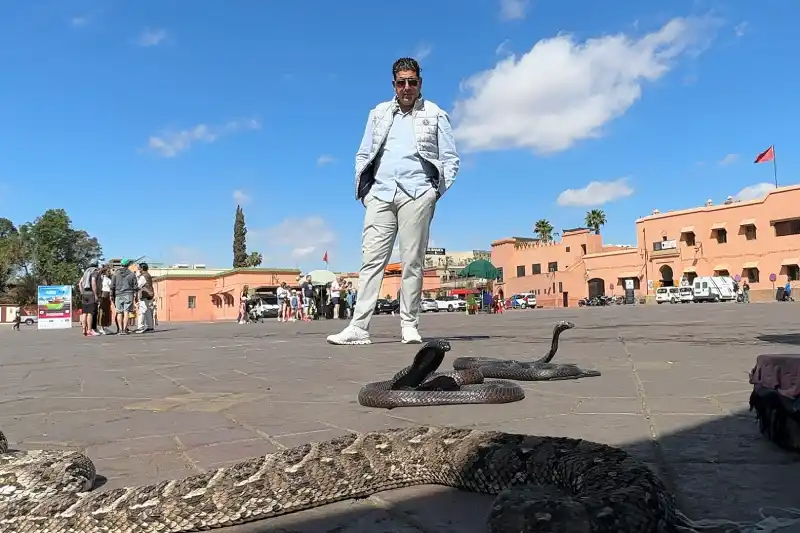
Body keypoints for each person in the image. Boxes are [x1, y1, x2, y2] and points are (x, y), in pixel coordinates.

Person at [327, 57, 459, 346]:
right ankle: (358, 328)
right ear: (394, 85)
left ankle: (409, 325)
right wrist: (365, 191)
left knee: (412, 260)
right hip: (381, 193)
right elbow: (363, 153)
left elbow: (450, 159)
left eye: (412, 81)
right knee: (371, 261)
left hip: (417, 193)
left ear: (420, 83)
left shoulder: (435, 114)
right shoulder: (378, 113)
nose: (407, 87)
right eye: (402, 82)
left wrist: (434, 192)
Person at [110, 259, 138, 334]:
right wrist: (135, 296)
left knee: (119, 312)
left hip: (118, 294)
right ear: (128, 265)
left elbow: (112, 286)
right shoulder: (132, 274)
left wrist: (111, 295)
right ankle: (125, 329)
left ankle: (120, 329)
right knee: (126, 312)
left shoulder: (116, 274)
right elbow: (135, 286)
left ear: (121, 264)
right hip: (129, 294)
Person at [78, 261, 101, 337]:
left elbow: (80, 283)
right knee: (90, 313)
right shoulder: (95, 271)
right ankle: (89, 330)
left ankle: (84, 329)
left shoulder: (86, 271)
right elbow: (93, 282)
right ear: (96, 265)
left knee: (85, 312)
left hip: (85, 294)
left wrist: (82, 292)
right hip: (91, 293)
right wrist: (95, 294)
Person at [135, 262, 155, 333]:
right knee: (147, 311)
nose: (138, 269)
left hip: (144, 294)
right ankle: (150, 327)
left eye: (139, 267)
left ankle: (140, 327)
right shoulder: (148, 275)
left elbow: (138, 285)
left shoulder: (143, 276)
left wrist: (137, 277)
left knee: (142, 311)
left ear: (142, 268)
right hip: (149, 294)